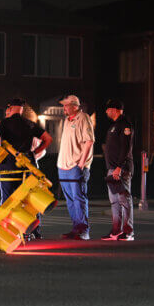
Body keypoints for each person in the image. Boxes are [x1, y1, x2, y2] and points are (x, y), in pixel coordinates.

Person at [0, 98, 52, 238]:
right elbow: (48, 138)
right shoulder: (30, 124)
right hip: (28, 166)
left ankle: (10, 230)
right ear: (22, 109)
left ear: (9, 109)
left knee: (8, 199)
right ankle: (33, 231)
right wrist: (34, 153)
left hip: (9, 166)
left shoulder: (3, 123)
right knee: (30, 199)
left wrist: (1, 154)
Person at [57, 95, 95, 240]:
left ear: (74, 105)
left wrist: (82, 163)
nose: (64, 108)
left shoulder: (83, 118)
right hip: (63, 166)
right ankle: (76, 228)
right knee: (70, 200)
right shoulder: (67, 121)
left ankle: (83, 230)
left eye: (66, 105)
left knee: (78, 198)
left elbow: (89, 141)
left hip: (75, 166)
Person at [100, 99, 134, 241]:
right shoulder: (114, 126)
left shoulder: (125, 125)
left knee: (124, 200)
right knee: (114, 201)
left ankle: (128, 231)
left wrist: (119, 167)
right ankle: (116, 231)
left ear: (115, 109)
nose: (106, 112)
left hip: (121, 169)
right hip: (112, 169)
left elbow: (126, 148)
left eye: (108, 109)